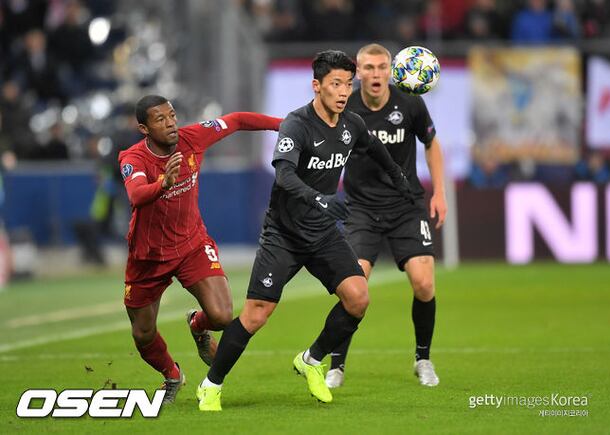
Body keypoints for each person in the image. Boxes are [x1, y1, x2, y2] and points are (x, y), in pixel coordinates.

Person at [196, 50, 415, 412]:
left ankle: (311, 360)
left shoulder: (351, 124)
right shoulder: (297, 124)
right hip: (284, 234)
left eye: (348, 84)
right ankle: (211, 385)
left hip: (323, 233)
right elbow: (284, 175)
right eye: (335, 84)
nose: (343, 92)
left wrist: (398, 177)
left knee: (358, 298)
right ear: (317, 86)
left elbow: (374, 148)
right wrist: (319, 199)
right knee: (256, 314)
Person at [118, 95, 281, 404]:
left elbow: (236, 120)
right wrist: (163, 184)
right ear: (144, 128)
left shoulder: (192, 137)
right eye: (160, 119)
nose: (171, 123)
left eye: (172, 115)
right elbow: (136, 195)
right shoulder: (133, 158)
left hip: (191, 245)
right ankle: (172, 374)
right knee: (142, 333)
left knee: (222, 315)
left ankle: (197, 325)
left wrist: (283, 125)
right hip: (148, 255)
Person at [325, 43, 447, 389]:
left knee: (424, 283)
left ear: (391, 71)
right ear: (358, 72)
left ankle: (423, 359)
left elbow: (431, 143)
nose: (376, 74)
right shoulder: (345, 107)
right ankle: (336, 365)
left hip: (406, 205)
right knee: (354, 287)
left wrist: (439, 192)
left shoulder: (410, 102)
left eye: (382, 67)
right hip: (362, 209)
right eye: (369, 68)